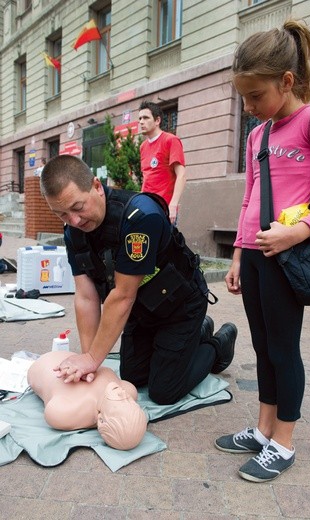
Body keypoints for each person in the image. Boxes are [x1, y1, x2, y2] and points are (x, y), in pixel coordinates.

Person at [214, 19, 310, 483]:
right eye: (244, 98)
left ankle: (284, 442)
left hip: (287, 256)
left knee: (283, 348)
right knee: (261, 345)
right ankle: (262, 429)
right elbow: (249, 199)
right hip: (253, 257)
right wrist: (235, 255)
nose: (250, 107)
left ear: (286, 81)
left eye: (256, 96)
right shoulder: (258, 136)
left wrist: (300, 232)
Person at [40, 154, 237, 406]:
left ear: (97, 187)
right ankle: (195, 336)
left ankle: (217, 344)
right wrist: (90, 360)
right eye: (63, 215)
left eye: (78, 208)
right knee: (134, 377)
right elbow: (86, 296)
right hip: (142, 311)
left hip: (180, 308)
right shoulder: (74, 233)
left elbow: (122, 295)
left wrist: (92, 358)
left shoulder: (140, 218)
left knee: (163, 391)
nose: (74, 221)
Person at [27, 351, 147, 450]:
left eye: (119, 404)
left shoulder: (68, 412)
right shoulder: (128, 391)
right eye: (130, 403)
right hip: (74, 358)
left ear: (100, 419)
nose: (123, 394)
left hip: (42, 366)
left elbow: (52, 411)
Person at [138, 101, 186, 225]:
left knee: (167, 244)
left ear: (157, 120)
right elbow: (146, 178)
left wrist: (173, 205)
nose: (141, 122)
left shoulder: (171, 140)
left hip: (165, 209)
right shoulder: (143, 147)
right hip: (147, 208)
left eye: (146, 117)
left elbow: (181, 175)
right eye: (140, 118)